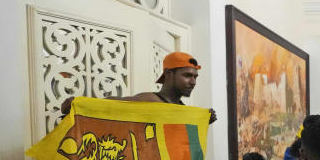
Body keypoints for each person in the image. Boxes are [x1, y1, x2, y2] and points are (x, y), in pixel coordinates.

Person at [60, 51, 217, 124]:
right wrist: (80, 103)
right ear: (169, 74)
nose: (193, 82)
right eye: (187, 75)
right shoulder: (151, 100)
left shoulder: (182, 109)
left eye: (195, 77)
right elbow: (113, 105)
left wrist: (203, 120)